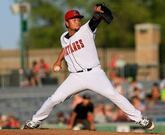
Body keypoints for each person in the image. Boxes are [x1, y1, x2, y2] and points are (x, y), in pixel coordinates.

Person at [23, 4, 154, 130]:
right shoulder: (63, 37)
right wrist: (58, 61)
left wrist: (97, 14)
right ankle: (34, 121)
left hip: (94, 74)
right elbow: (65, 49)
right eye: (73, 19)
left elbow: (94, 21)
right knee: (54, 99)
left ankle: (140, 119)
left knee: (113, 94)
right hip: (75, 76)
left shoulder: (87, 30)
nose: (77, 21)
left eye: (78, 19)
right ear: (66, 23)